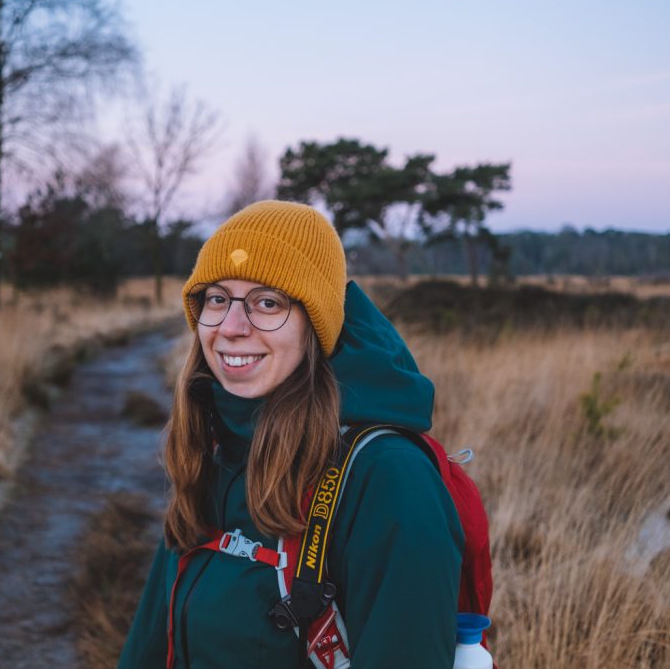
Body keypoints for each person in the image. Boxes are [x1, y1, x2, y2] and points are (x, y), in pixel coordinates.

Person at [118, 200, 464, 668]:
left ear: (314, 326)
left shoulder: (389, 480)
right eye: (217, 299)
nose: (232, 328)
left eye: (267, 303)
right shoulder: (211, 450)